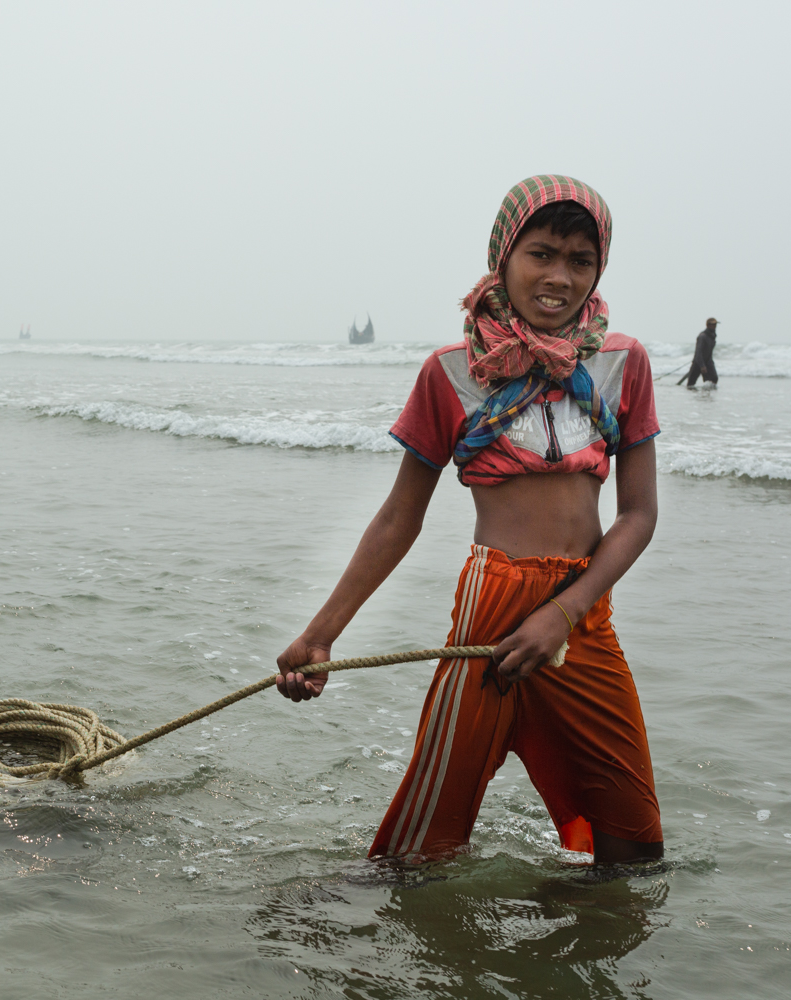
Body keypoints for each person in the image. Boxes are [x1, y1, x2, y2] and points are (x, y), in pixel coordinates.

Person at [274, 175, 663, 865]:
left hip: (584, 614)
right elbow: (400, 519)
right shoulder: (452, 372)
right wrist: (320, 635)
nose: (559, 277)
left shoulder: (622, 364)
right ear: (503, 256)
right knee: (422, 849)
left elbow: (638, 516)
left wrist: (564, 614)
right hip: (492, 607)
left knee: (633, 844)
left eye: (581, 261)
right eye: (541, 253)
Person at [682, 318, 719, 387]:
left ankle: (706, 394)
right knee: (691, 384)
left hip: (708, 362)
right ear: (708, 325)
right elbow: (698, 352)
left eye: (715, 324)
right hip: (698, 362)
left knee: (714, 379)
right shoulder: (703, 336)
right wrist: (702, 366)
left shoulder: (712, 336)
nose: (715, 326)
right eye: (713, 324)